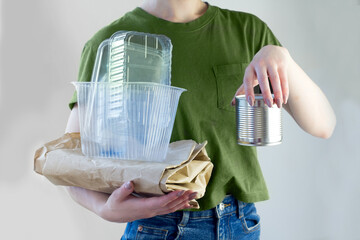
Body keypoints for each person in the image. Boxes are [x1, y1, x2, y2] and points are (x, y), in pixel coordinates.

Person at [65, 0, 336, 239]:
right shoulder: (109, 42)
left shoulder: (248, 32)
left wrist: (282, 58)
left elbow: (324, 125)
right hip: (157, 226)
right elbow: (72, 165)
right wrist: (103, 208)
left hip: (240, 225)